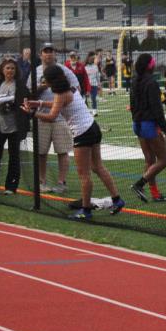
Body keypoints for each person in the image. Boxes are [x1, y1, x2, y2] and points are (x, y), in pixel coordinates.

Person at [25, 64, 125, 221]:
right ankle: (117, 199)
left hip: (82, 133)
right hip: (93, 128)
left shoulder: (60, 94)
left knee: (84, 174)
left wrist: (32, 114)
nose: (44, 82)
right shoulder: (70, 89)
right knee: (97, 167)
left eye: (45, 80)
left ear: (50, 81)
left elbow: (52, 116)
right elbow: (58, 105)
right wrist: (40, 103)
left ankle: (86, 210)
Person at [34, 44, 79, 193]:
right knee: (41, 152)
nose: (48, 54)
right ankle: (42, 181)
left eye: (51, 51)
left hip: (61, 117)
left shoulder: (64, 70)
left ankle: (61, 182)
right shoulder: (35, 71)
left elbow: (76, 87)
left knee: (62, 151)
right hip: (42, 116)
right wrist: (41, 88)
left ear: (55, 54)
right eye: (45, 51)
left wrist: (62, 97)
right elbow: (29, 92)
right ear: (41, 54)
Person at [129, 53, 166, 203]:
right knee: (164, 160)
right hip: (149, 125)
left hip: (137, 124)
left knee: (150, 160)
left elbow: (133, 105)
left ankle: (155, 194)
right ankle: (139, 184)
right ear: (150, 65)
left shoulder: (134, 81)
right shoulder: (152, 83)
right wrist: (164, 127)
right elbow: (157, 108)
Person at [0, 58, 30, 195]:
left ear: (16, 71)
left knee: (14, 157)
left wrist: (14, 104)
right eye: (7, 68)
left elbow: (26, 104)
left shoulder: (20, 86)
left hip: (15, 127)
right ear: (2, 70)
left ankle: (11, 187)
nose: (10, 70)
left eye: (12, 68)